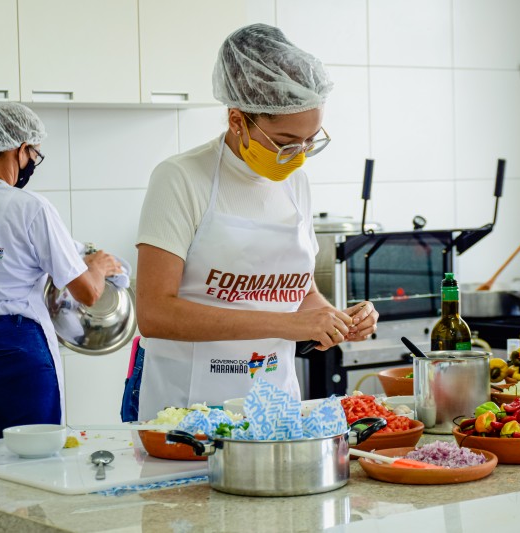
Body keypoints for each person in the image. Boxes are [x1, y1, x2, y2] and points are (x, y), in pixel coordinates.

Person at [130, 24, 379, 421]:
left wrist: (335, 319)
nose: (298, 156)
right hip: (189, 406)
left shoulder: (296, 184)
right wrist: (291, 324)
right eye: (284, 142)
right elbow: (155, 314)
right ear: (237, 120)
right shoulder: (181, 178)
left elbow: (296, 289)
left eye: (310, 141)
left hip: (274, 402)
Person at [0, 103, 121, 445]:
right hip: (17, 356)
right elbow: (87, 293)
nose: (32, 163)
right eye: (34, 154)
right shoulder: (31, 208)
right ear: (20, 148)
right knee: (34, 464)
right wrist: (97, 266)